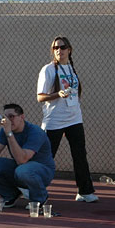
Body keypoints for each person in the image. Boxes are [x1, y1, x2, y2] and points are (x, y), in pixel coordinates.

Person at [37, 36, 97, 202]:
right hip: (54, 121)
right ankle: (34, 189)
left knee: (80, 155)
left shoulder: (71, 68)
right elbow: (40, 97)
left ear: (69, 50)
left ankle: (85, 191)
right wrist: (58, 94)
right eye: (56, 48)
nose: (59, 50)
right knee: (46, 157)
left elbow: (76, 92)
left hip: (74, 119)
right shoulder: (48, 70)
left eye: (62, 47)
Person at [0, 104, 56, 210]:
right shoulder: (5, 131)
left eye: (11, 116)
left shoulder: (35, 132)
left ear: (22, 117)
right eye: (5, 117)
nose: (8, 120)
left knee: (23, 170)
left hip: (42, 171)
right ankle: (10, 195)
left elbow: (22, 159)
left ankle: (40, 198)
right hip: (21, 169)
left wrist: (9, 133)